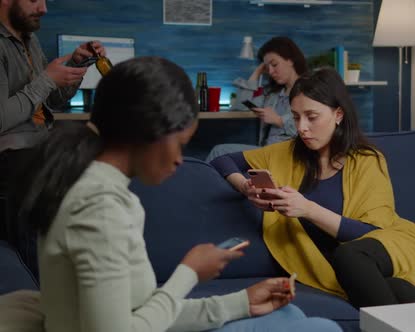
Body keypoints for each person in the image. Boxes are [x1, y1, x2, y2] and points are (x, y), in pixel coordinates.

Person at [2, 57, 341, 332]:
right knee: (322, 328)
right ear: (147, 131)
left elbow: (138, 313)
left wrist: (238, 303)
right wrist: (188, 274)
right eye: (179, 143)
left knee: (290, 317)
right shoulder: (100, 207)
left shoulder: (90, 187)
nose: (181, 158)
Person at [211, 68, 415, 308]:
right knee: (393, 289)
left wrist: (308, 209)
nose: (301, 127)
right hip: (349, 271)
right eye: (296, 117)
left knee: (350, 255)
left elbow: (370, 231)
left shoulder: (366, 160)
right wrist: (246, 187)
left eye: (312, 117)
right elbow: (223, 158)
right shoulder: (285, 153)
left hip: (388, 245)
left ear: (338, 115)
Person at [0, 0, 105, 244]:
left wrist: (76, 65)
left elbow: (52, 102)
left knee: (103, 157)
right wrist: (47, 78)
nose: (44, 8)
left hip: (39, 143)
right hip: (10, 153)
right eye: (35, 0)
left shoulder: (30, 39)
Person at [205, 36, 306, 162]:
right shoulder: (273, 95)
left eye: (274, 64)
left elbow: (312, 127)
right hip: (266, 151)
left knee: (219, 152)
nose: (271, 71)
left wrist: (279, 120)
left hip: (287, 155)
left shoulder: (308, 91)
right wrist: (256, 73)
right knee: (219, 153)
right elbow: (239, 107)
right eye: (267, 67)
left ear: (290, 60)